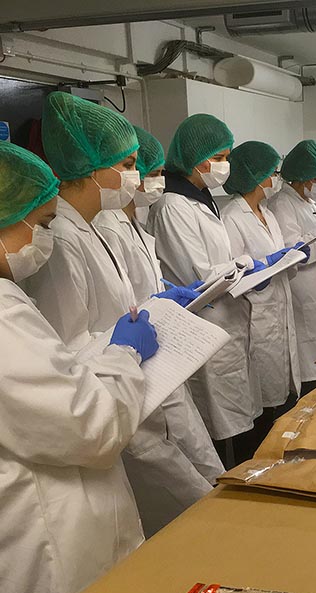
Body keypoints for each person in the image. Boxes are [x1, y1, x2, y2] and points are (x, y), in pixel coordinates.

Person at [23, 92, 213, 537]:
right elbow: (66, 349)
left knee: (193, 499)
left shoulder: (91, 227)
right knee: (178, 518)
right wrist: (123, 347)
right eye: (127, 165)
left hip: (140, 389)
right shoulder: (64, 239)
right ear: (91, 167)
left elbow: (114, 305)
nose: (136, 176)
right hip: (114, 402)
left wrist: (154, 309)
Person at [0, 141, 158, 593]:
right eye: (41, 224)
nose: (45, 238)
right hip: (45, 535)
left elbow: (50, 378)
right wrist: (124, 357)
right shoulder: (3, 317)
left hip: (42, 513)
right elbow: (91, 427)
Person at [94, 125, 224, 487]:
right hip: (134, 372)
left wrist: (161, 294)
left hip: (158, 364)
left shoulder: (132, 221)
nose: (153, 181)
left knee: (202, 468)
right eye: (143, 170)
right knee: (182, 482)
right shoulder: (106, 227)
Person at [148, 114, 263, 465]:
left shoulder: (201, 198)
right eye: (220, 158)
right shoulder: (172, 206)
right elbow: (198, 274)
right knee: (216, 427)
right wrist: (243, 266)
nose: (225, 166)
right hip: (205, 325)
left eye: (227, 158)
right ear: (195, 158)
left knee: (239, 417)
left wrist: (246, 266)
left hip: (227, 321)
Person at [220, 141, 302, 443]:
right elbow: (232, 276)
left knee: (283, 398)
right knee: (265, 406)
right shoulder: (232, 217)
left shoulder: (267, 212)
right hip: (257, 318)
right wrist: (258, 273)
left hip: (279, 310)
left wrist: (292, 257)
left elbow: (281, 260)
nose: (276, 178)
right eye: (272, 172)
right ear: (256, 176)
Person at [268, 139, 316, 396]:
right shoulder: (282, 204)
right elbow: (295, 252)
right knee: (311, 377)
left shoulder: (307, 203)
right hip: (304, 298)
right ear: (302, 177)